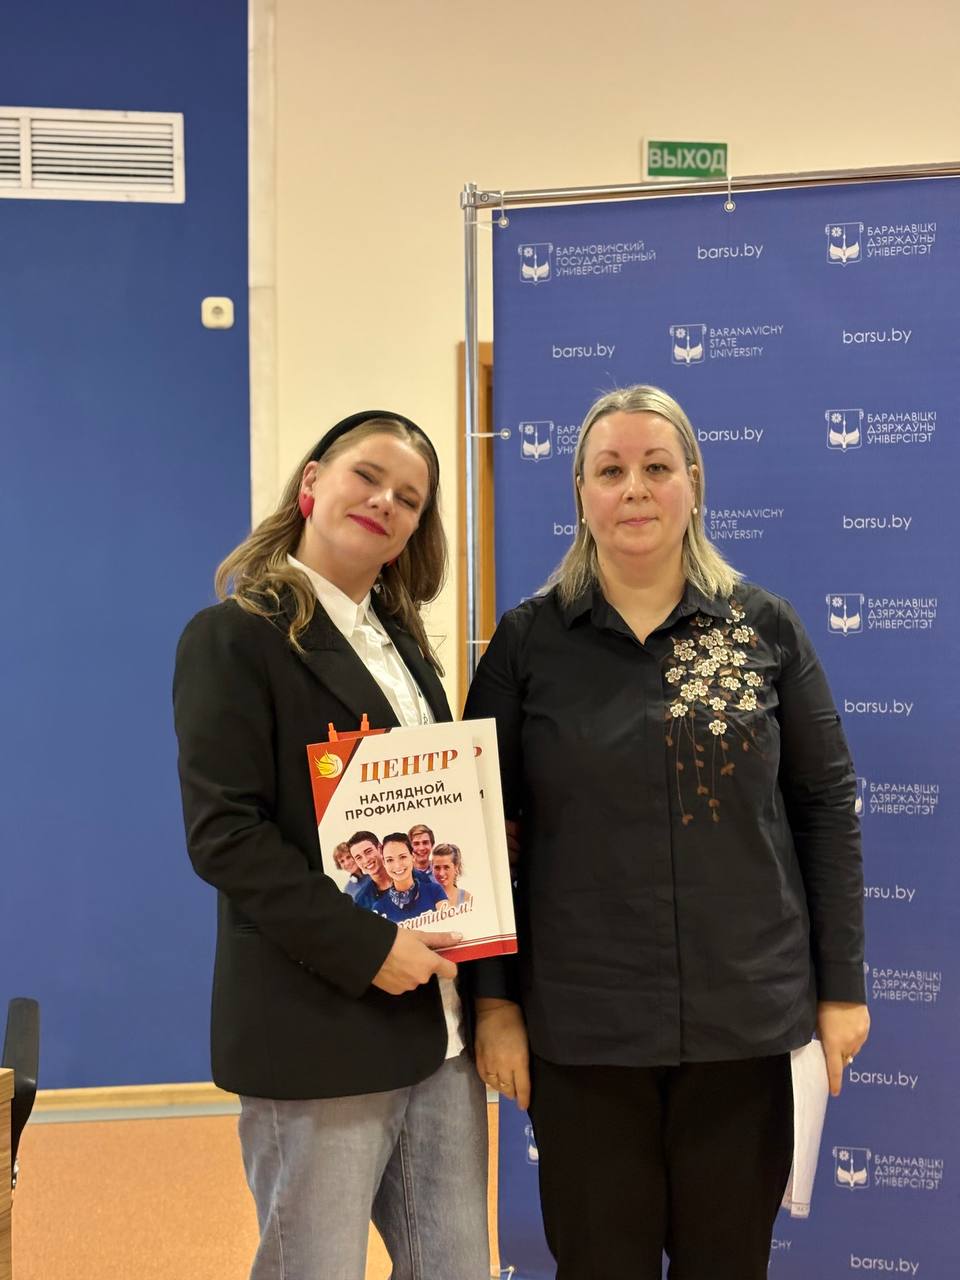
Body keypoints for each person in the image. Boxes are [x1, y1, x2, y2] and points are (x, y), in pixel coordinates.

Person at [464, 385, 870, 1280]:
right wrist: (493, 1004)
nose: (635, 489)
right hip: (583, 1030)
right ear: (580, 494)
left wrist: (842, 988)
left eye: (657, 467)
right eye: (610, 471)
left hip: (744, 1023)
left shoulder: (763, 627)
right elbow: (476, 834)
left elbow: (825, 804)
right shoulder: (527, 643)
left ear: (694, 482)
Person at [173, 410, 489, 1280]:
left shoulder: (405, 647)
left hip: (437, 1030)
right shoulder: (233, 637)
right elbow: (225, 836)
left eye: (409, 499)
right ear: (312, 482)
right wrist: (368, 945)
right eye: (368, 477)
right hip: (316, 1025)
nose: (385, 502)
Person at [373, 832, 449, 923]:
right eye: (390, 860)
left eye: (403, 857)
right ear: (384, 863)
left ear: (412, 857)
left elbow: (448, 925)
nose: (397, 865)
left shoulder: (434, 891)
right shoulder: (379, 908)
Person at [431, 842, 473, 907]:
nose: (441, 873)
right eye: (437, 867)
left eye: (446, 867)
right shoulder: (424, 898)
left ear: (456, 867)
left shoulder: (466, 898)